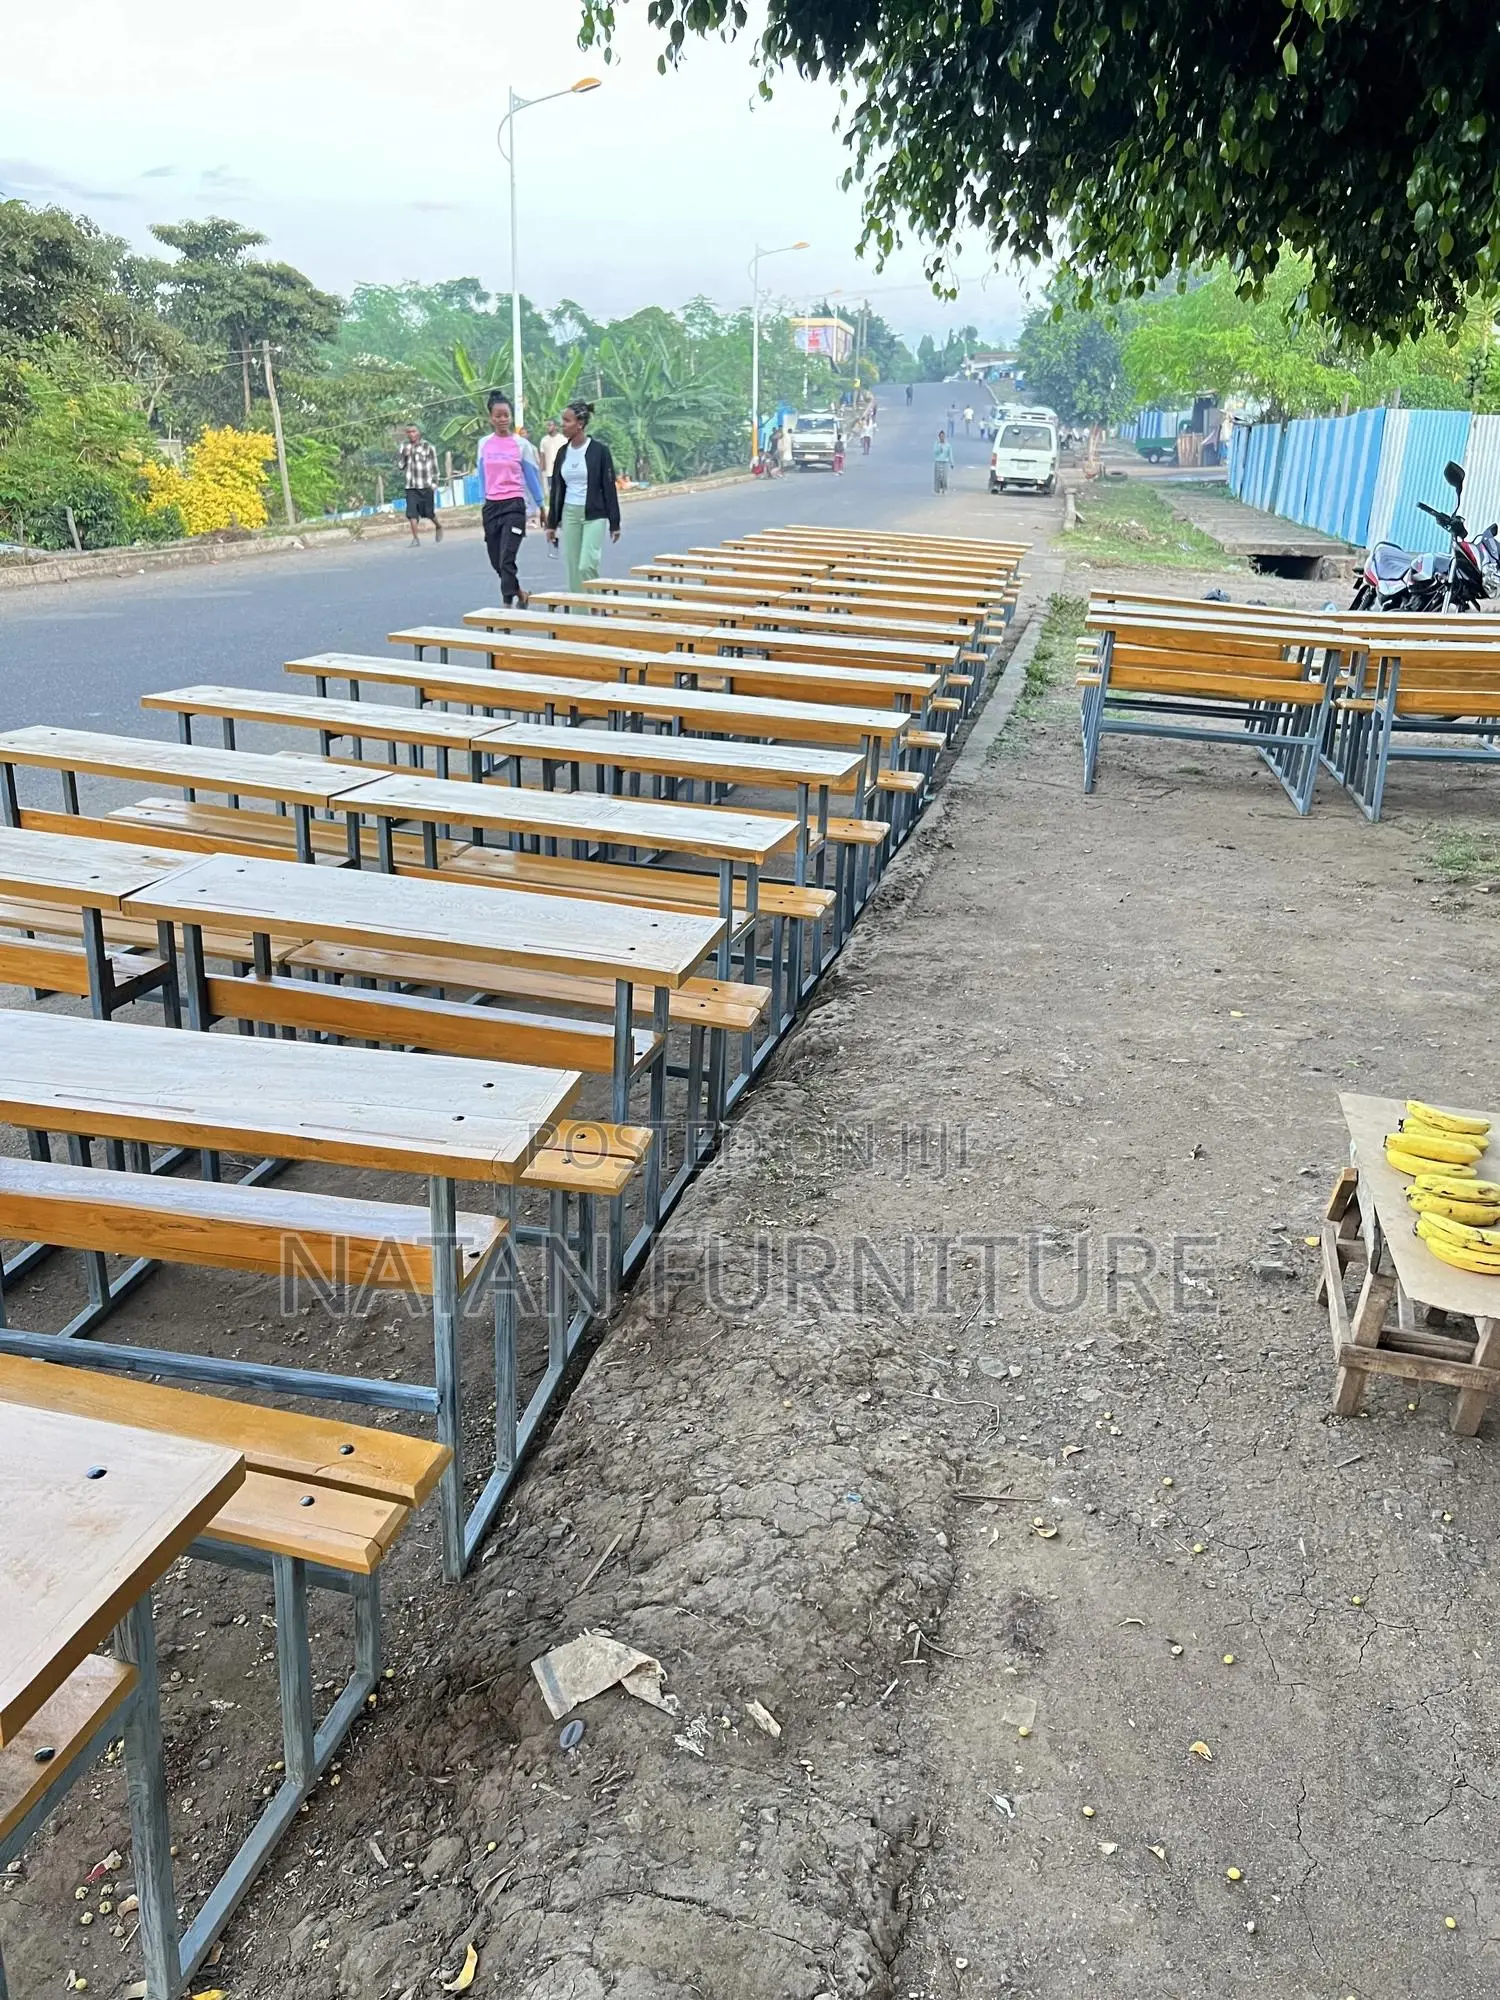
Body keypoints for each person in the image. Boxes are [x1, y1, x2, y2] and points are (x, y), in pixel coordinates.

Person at [545, 398, 621, 590]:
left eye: (567, 420)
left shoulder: (599, 451)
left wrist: (615, 523)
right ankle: (579, 615)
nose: (563, 424)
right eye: (563, 419)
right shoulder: (563, 453)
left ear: (580, 424)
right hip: (569, 514)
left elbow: (609, 488)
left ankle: (596, 608)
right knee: (573, 569)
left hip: (594, 515)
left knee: (587, 564)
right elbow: (556, 490)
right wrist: (551, 524)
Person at [477, 392, 543, 607]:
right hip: (491, 506)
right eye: (498, 415)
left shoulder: (521, 445)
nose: (502, 419)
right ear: (491, 418)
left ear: (511, 417)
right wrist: (482, 502)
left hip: (514, 505)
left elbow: (532, 478)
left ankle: (507, 604)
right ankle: (520, 593)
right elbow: (482, 476)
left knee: (507, 558)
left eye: (506, 415)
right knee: (496, 560)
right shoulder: (484, 444)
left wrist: (542, 506)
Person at [397, 424, 441, 545]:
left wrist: (435, 483)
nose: (412, 434)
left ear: (419, 432)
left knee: (429, 513)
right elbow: (400, 466)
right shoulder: (404, 447)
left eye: (414, 431)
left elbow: (434, 466)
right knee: (412, 513)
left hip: (425, 484)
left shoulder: (428, 447)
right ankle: (415, 538)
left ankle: (438, 525)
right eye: (409, 432)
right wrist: (404, 456)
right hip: (411, 486)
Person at [933, 429, 954, 494]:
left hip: (945, 462)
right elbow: (935, 452)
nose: (942, 438)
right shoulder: (936, 444)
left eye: (943, 436)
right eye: (941, 436)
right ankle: (937, 489)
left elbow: (950, 454)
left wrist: (952, 463)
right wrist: (939, 449)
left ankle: (945, 488)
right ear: (939, 437)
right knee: (938, 477)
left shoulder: (948, 445)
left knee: (944, 477)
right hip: (938, 461)